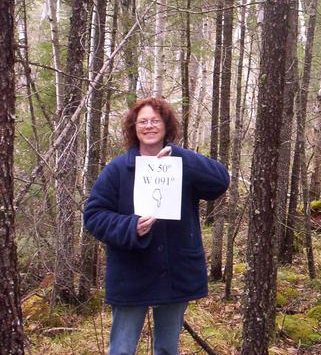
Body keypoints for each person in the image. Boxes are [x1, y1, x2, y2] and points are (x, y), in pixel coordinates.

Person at [83, 97, 229, 355]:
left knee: (166, 349)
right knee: (122, 349)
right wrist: (130, 227)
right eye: (143, 121)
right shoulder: (117, 170)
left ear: (166, 126)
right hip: (131, 273)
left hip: (174, 271)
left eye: (155, 121)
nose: (149, 126)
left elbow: (219, 182)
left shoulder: (182, 164)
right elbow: (94, 216)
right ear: (134, 127)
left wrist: (181, 155)